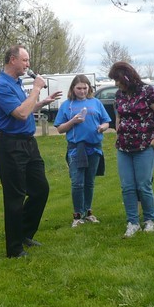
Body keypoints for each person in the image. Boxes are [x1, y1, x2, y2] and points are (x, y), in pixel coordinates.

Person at [0, 45, 62, 258]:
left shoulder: (16, 83)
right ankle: (14, 249)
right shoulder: (0, 85)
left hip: (28, 143)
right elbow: (21, 113)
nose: (28, 65)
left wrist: (40, 103)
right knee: (15, 196)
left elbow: (25, 107)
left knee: (40, 189)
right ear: (12, 60)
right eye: (25, 60)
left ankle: (24, 233)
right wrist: (37, 89)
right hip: (10, 145)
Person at [108, 62, 154, 237]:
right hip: (124, 147)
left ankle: (149, 219)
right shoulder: (119, 95)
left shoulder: (147, 92)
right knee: (127, 186)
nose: (116, 84)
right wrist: (118, 133)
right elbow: (118, 115)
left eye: (117, 80)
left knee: (143, 185)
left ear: (126, 77)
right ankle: (132, 222)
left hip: (144, 145)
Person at [54, 74, 111, 227]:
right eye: (79, 88)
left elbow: (106, 122)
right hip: (76, 149)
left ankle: (88, 212)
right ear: (73, 88)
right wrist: (73, 121)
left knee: (89, 182)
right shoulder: (67, 105)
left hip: (94, 148)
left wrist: (102, 127)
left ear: (89, 88)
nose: (82, 91)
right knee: (77, 183)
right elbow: (60, 129)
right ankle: (77, 215)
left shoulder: (96, 102)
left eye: (85, 88)